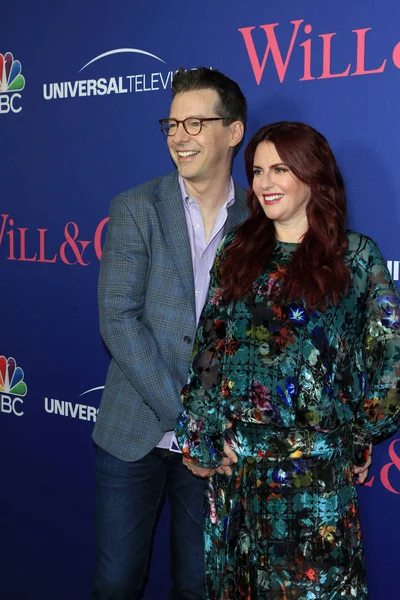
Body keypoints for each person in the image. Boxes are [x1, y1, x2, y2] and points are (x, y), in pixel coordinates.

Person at [175, 121, 400, 599]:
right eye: (257, 171)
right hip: (239, 475)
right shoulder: (238, 251)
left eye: (280, 168)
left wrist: (359, 435)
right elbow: (209, 350)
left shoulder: (356, 259)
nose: (265, 183)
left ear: (313, 176)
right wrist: (202, 438)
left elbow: (390, 361)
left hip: (316, 483)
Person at [91, 67, 248, 599]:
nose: (178, 136)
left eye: (195, 123)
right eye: (171, 123)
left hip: (219, 445)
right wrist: (187, 418)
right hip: (135, 431)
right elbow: (118, 316)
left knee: (201, 584)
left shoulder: (258, 220)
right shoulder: (136, 208)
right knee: (116, 583)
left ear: (233, 131)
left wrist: (213, 428)